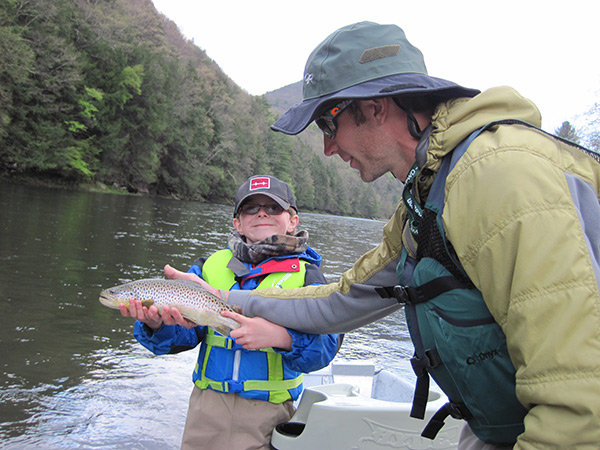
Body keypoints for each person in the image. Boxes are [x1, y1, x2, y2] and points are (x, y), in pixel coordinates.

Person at [192, 22, 599, 449]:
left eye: (328, 126)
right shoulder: (423, 202)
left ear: (373, 107)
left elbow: (577, 403)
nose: (328, 148)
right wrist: (220, 299)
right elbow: (341, 298)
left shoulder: (501, 177)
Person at [120, 175, 340, 450]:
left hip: (270, 416)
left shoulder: (308, 276)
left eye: (273, 207)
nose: (262, 212)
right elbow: (182, 336)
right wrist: (156, 326)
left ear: (292, 220)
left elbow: (326, 348)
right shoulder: (208, 268)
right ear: (237, 223)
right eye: (251, 208)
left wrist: (282, 337)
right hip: (205, 410)